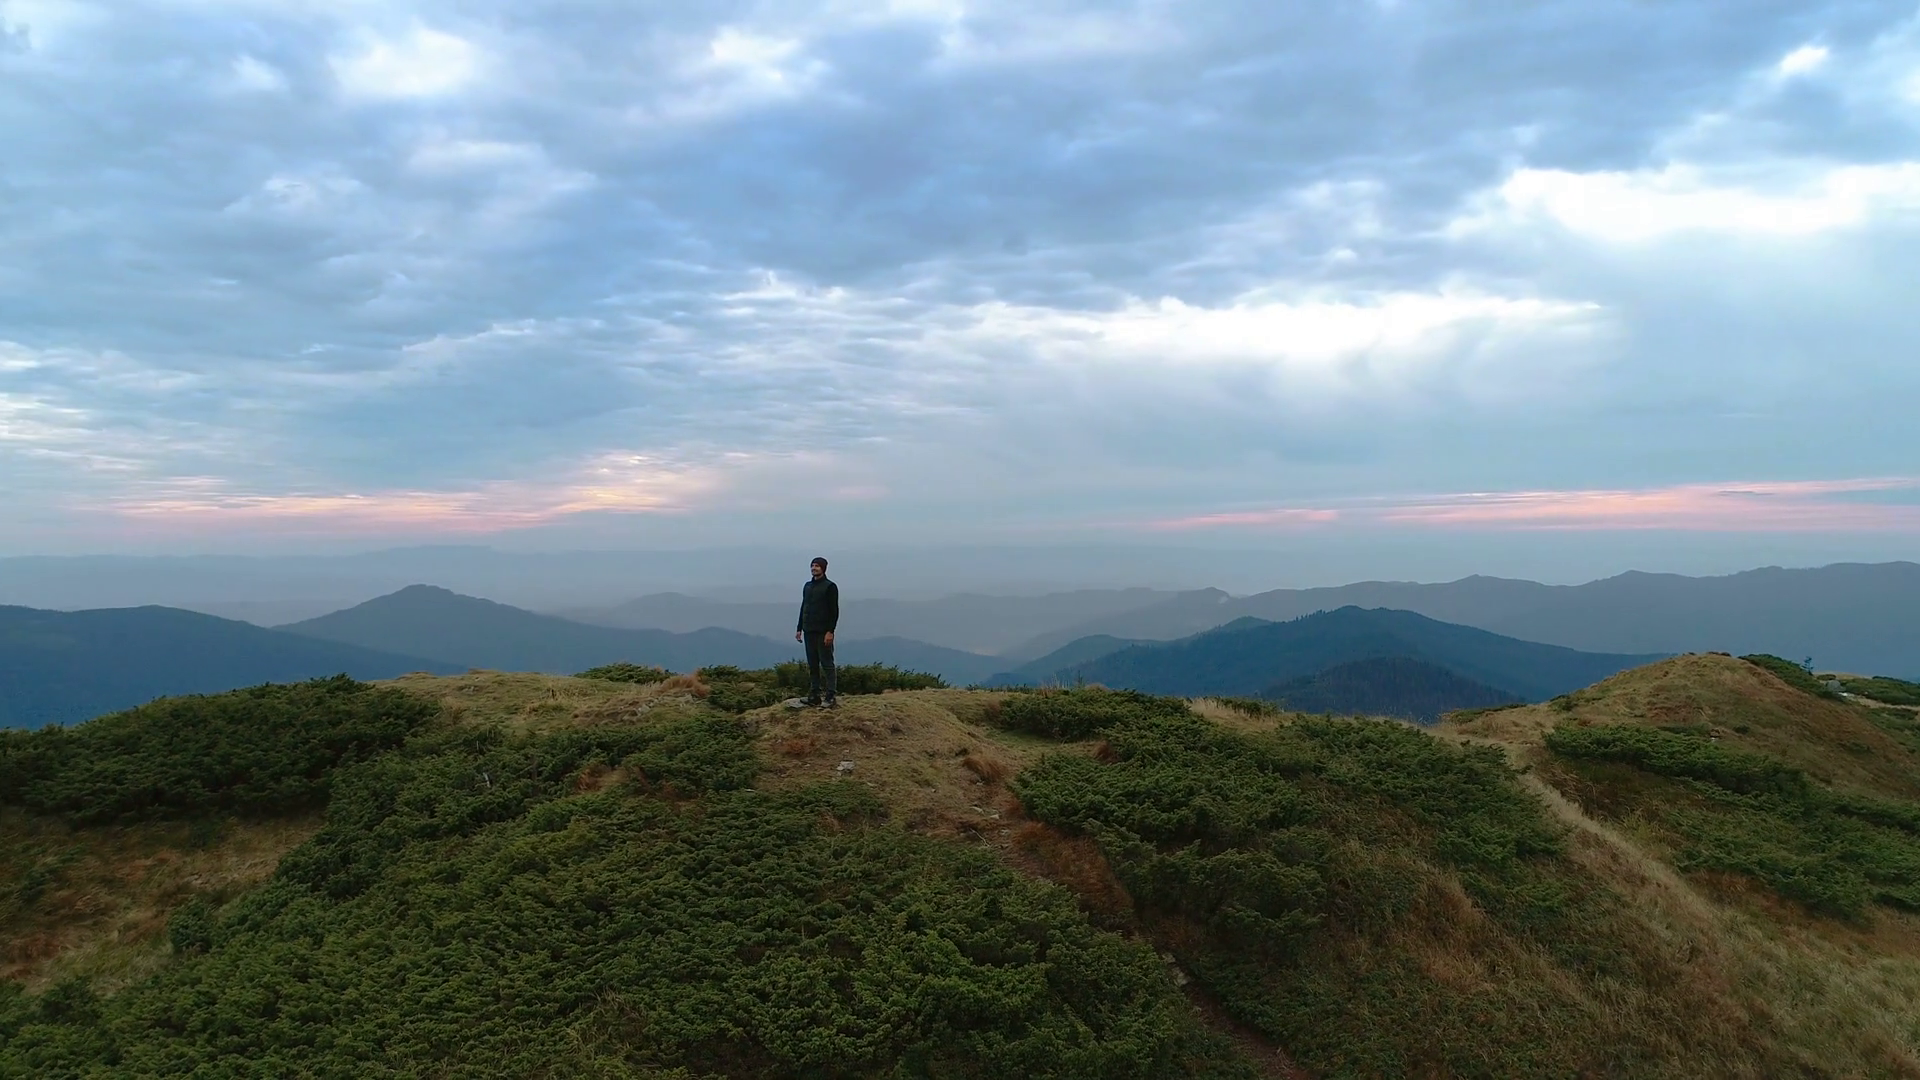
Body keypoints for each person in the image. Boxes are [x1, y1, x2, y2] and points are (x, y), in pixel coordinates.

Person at [795, 556, 839, 707]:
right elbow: (804, 607)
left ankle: (831, 695)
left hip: (823, 632)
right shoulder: (808, 586)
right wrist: (799, 628)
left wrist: (830, 631)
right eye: (812, 566)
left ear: (823, 568)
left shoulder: (830, 587)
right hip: (809, 630)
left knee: (827, 663)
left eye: (817, 566)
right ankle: (814, 695)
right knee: (812, 664)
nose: (814, 568)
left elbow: (834, 611)